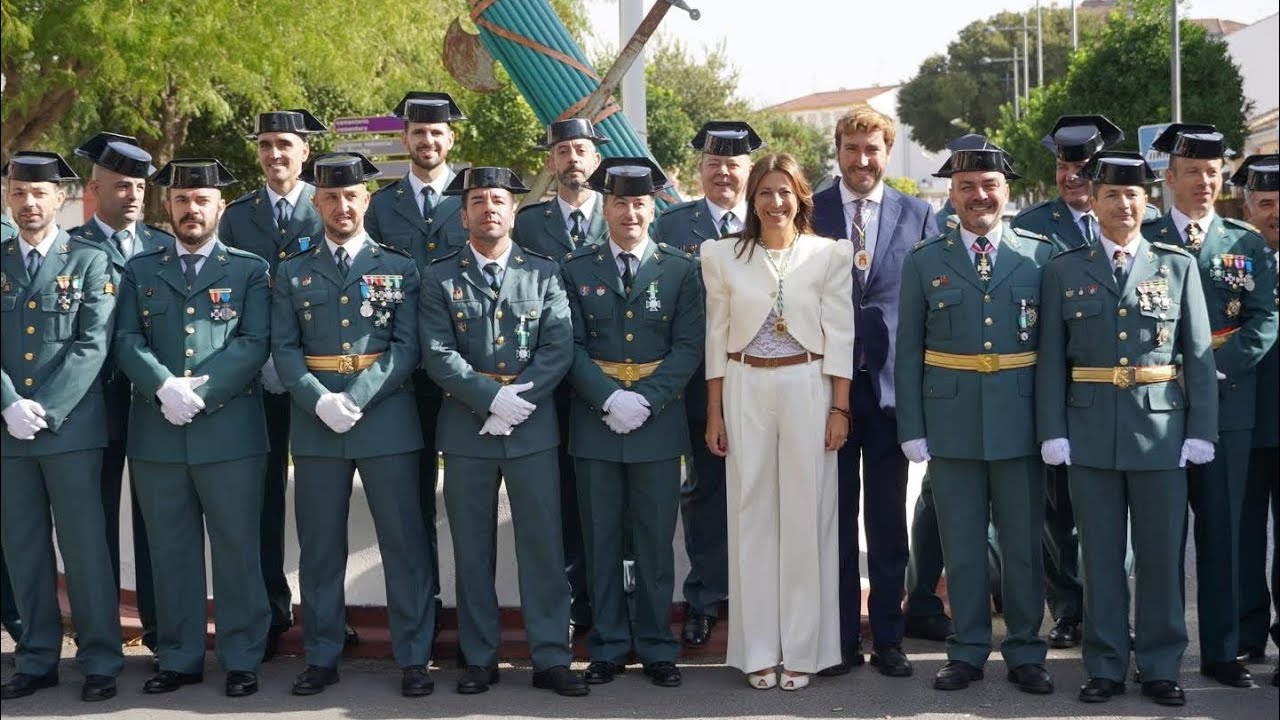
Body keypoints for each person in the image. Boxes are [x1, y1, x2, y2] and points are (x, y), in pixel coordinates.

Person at [1038, 151, 1218, 707]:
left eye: (1133, 194)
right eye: (1111, 195)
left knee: (1162, 556)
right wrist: (1053, 428)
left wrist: (1201, 429)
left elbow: (1198, 354)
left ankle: (1162, 665)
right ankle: (1106, 664)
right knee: (1100, 556)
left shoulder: (1176, 265)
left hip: (1161, 431)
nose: (1123, 203)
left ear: (1148, 201)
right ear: (1092, 203)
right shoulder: (1064, 269)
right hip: (1089, 433)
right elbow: (1050, 359)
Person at [272, 152, 436, 697]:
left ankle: (414, 656)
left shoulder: (400, 266)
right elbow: (285, 347)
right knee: (319, 547)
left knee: (404, 542)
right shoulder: (292, 269)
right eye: (331, 198)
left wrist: (358, 396)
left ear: (366, 200)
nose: (342, 206)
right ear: (315, 202)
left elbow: (407, 347)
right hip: (317, 421)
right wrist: (319, 400)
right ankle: (321, 654)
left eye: (351, 197)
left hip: (385, 417)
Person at [420, 166, 588, 697]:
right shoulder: (438, 276)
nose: (489, 207)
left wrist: (518, 401)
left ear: (513, 210)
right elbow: (437, 353)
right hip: (467, 427)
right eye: (477, 200)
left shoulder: (543, 272)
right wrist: (490, 398)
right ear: (462, 212)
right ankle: (478, 657)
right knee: (472, 549)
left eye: (498, 199)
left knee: (542, 546)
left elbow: (559, 345)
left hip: (532, 426)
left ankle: (550, 657)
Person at [896, 137, 1053, 694]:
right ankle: (965, 649)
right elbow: (908, 351)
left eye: (989, 186)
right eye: (967, 187)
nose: (978, 196)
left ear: (1006, 191)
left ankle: (1026, 650)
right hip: (952, 424)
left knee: (1022, 548)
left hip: (1021, 424)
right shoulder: (925, 261)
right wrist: (911, 427)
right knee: (961, 545)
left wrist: (1052, 426)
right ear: (952, 194)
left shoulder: (1039, 255)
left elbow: (1054, 351)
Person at [114, 158, 273, 697]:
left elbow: (254, 342)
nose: (191, 209)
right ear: (168, 207)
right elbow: (126, 340)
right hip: (159, 434)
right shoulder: (140, 269)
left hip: (230, 435)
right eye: (181, 201)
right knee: (170, 551)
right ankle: (179, 657)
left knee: (237, 549)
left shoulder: (249, 269)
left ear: (219, 207)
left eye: (201, 200)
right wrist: (164, 387)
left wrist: (199, 393)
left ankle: (242, 656)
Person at [702, 152, 854, 691]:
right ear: (752, 199)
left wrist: (840, 406)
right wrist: (715, 412)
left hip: (808, 386)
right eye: (764, 192)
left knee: (807, 519)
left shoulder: (829, 254)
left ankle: (806, 650)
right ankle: (757, 649)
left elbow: (841, 334)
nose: (775, 203)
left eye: (784, 191)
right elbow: (715, 339)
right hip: (744, 384)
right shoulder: (722, 255)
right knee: (752, 518)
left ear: (801, 197)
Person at [1142, 124, 1279, 689]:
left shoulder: (1244, 244)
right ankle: (1160, 654)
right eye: (1193, 172)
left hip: (1229, 404)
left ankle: (1223, 652)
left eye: (1213, 173)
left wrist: (1214, 370)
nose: (1204, 181)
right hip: (1157, 408)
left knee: (1224, 534)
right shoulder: (1145, 237)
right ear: (1169, 179)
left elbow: (1265, 318)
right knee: (1161, 538)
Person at [562, 157, 703, 687]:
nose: (629, 213)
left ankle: (657, 645)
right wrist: (607, 399)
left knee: (654, 542)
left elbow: (689, 346)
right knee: (599, 542)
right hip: (596, 423)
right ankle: (608, 644)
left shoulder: (680, 269)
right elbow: (568, 345)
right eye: (619, 203)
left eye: (639, 203)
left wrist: (646, 399)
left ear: (653, 208)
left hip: (657, 422)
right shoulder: (577, 267)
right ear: (606, 206)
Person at [810, 105, 937, 677]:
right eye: (852, 148)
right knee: (833, 522)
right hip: (823, 394)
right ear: (837, 151)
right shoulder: (810, 208)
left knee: (886, 523)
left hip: (890, 397)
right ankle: (838, 640)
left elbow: (932, 305)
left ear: (888, 153)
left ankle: (888, 637)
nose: (862, 160)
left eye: (873, 150)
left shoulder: (919, 213)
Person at [0, 152, 122, 702]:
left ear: (61, 199)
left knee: (85, 548)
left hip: (70, 429)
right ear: (9, 197)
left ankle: (100, 660)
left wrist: (44, 410)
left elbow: (92, 344)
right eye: (19, 192)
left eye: (40, 193)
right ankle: (37, 657)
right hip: (6, 431)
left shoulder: (90, 260)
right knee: (23, 548)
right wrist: (7, 404)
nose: (29, 203)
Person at [219, 109, 330, 657]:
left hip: (319, 380)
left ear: (304, 151)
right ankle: (268, 608)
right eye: (265, 145)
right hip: (254, 379)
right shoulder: (238, 216)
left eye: (285, 144)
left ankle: (325, 614)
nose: (275, 154)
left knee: (318, 501)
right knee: (260, 496)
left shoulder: (333, 202)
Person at [1012, 115, 1122, 650]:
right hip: (1051, 389)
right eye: (1062, 165)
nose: (1071, 175)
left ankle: (1111, 606)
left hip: (1110, 392)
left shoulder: (1128, 221)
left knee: (1109, 511)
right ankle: (1069, 609)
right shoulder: (1032, 226)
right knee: (1056, 513)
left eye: (1080, 166)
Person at [654, 121, 763, 647]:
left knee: (764, 492)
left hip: (765, 382)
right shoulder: (670, 227)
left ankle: (759, 597)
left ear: (749, 171)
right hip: (698, 386)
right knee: (705, 494)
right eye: (714, 164)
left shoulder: (773, 217)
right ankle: (705, 597)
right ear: (700, 170)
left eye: (734, 164)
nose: (724, 172)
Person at [365, 92, 470, 628]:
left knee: (471, 495)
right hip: (403, 378)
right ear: (404, 139)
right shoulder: (381, 207)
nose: (427, 142)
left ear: (451, 139)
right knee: (410, 496)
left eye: (437, 133)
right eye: (418, 133)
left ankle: (472, 607)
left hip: (465, 374)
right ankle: (422, 606)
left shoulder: (475, 195)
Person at [69, 132, 170, 656]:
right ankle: (101, 637)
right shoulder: (72, 248)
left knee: (158, 520)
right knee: (96, 523)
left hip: (155, 404)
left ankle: (159, 630)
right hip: (94, 405)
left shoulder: (162, 245)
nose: (132, 195)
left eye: (138, 185)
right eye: (120, 185)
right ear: (95, 188)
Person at [513, 117, 612, 642]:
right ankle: (574, 604)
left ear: (596, 159)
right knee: (560, 502)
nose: (573, 159)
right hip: (548, 385)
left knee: (609, 502)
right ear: (551, 163)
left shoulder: (624, 213)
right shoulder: (528, 225)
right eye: (563, 151)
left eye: (581, 150)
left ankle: (613, 602)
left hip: (609, 382)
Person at [1230, 156, 1279, 686]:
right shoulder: (1234, 256)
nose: (1275, 213)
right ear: (1248, 208)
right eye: (1265, 204)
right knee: (1241, 535)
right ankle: (1246, 634)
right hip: (1244, 418)